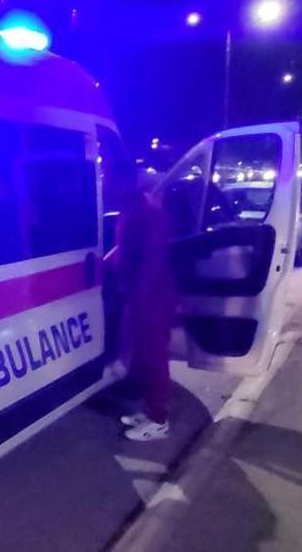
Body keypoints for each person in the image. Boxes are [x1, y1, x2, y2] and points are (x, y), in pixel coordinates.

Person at [108, 160, 178, 441]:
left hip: (150, 295)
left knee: (153, 355)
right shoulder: (138, 210)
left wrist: (140, 295)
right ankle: (150, 410)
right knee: (145, 355)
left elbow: (150, 259)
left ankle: (158, 420)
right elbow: (125, 249)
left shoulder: (143, 214)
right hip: (146, 293)